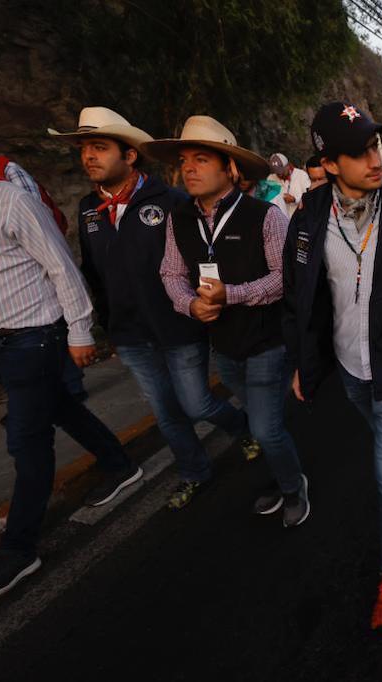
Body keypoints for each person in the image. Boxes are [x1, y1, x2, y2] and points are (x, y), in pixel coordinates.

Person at [0, 133, 139, 599]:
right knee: (59, 407)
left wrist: (78, 333)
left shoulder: (9, 199)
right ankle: (119, 463)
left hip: (31, 337)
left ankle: (19, 548)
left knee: (27, 440)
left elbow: (60, 266)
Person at [50, 106, 256, 510]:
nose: (88, 156)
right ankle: (195, 472)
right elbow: (92, 271)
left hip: (177, 326)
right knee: (167, 413)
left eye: (99, 147)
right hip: (129, 334)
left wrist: (206, 300)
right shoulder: (89, 209)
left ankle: (246, 428)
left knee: (196, 403)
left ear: (129, 155)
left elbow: (202, 254)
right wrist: (104, 321)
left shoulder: (171, 200)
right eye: (84, 149)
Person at [284, 102, 382, 630]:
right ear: (330, 161)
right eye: (359, 151)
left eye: (375, 145)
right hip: (347, 362)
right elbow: (299, 296)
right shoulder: (308, 217)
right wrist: (304, 361)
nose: (375, 158)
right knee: (372, 425)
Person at [150, 116, 309, 524]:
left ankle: (293, 486)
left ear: (230, 169)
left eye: (201, 159)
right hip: (224, 344)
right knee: (260, 428)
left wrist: (231, 295)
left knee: (267, 429)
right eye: (185, 160)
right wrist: (189, 305)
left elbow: (282, 279)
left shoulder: (264, 216)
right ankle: (280, 475)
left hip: (267, 342)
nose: (189, 168)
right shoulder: (179, 218)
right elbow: (170, 272)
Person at [0, 117, 86, 402]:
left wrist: (79, 330)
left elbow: (40, 228)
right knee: (59, 406)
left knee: (32, 426)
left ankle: (64, 390)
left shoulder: (5, 173)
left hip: (32, 320)